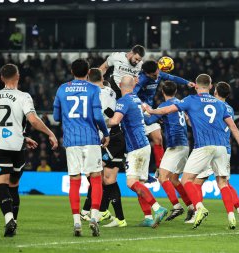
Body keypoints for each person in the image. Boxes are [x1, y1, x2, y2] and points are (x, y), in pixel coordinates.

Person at [145, 74, 239, 229]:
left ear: (195, 85)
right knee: (223, 183)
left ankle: (199, 208)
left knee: (186, 180)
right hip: (222, 147)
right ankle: (231, 217)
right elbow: (233, 127)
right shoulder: (220, 104)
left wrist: (151, 110)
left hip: (204, 146)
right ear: (210, 86)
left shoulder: (190, 100)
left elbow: (167, 109)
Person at [0, 63, 58, 237]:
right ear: (18, 76)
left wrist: (23, 137)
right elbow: (33, 120)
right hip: (17, 148)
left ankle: (9, 218)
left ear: (1, 78)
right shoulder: (23, 96)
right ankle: (15, 223)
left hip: (0, 146)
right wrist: (50, 133)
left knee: (1, 184)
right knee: (13, 185)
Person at [53, 59, 110, 237]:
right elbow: (97, 116)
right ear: (88, 72)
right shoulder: (93, 89)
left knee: (74, 181)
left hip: (71, 140)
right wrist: (105, 132)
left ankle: (77, 222)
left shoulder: (62, 89)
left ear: (71, 71)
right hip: (91, 138)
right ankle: (93, 218)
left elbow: (56, 116)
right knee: (95, 178)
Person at [108, 75, 168, 228]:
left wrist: (98, 123)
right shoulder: (137, 100)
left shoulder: (124, 101)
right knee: (140, 183)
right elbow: (149, 114)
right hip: (144, 144)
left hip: (135, 147)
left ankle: (157, 208)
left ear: (120, 85)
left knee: (131, 183)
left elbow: (114, 121)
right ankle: (148, 217)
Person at [192, 81, 239, 226]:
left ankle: (197, 212)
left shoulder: (212, 105)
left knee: (196, 183)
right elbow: (232, 127)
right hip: (225, 149)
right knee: (225, 183)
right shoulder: (229, 108)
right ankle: (238, 212)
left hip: (208, 147)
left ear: (215, 92)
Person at [80, 68, 127, 228]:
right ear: (102, 77)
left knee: (93, 174)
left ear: (87, 79)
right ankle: (116, 216)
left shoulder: (93, 94)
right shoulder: (110, 91)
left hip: (108, 138)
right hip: (117, 138)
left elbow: (99, 117)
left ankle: (97, 210)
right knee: (108, 179)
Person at [144, 81, 194, 222]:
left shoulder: (164, 106)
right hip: (184, 144)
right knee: (173, 179)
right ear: (176, 90)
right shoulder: (180, 103)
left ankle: (177, 206)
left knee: (162, 177)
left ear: (162, 92)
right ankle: (191, 207)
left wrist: (140, 112)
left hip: (175, 145)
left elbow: (149, 121)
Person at [134, 60, 195, 174]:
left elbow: (172, 77)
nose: (157, 77)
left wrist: (187, 82)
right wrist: (141, 105)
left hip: (149, 109)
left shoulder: (158, 73)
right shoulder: (141, 79)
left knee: (158, 139)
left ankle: (159, 167)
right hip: (139, 109)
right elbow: (132, 94)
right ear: (147, 74)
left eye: (158, 73)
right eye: (154, 75)